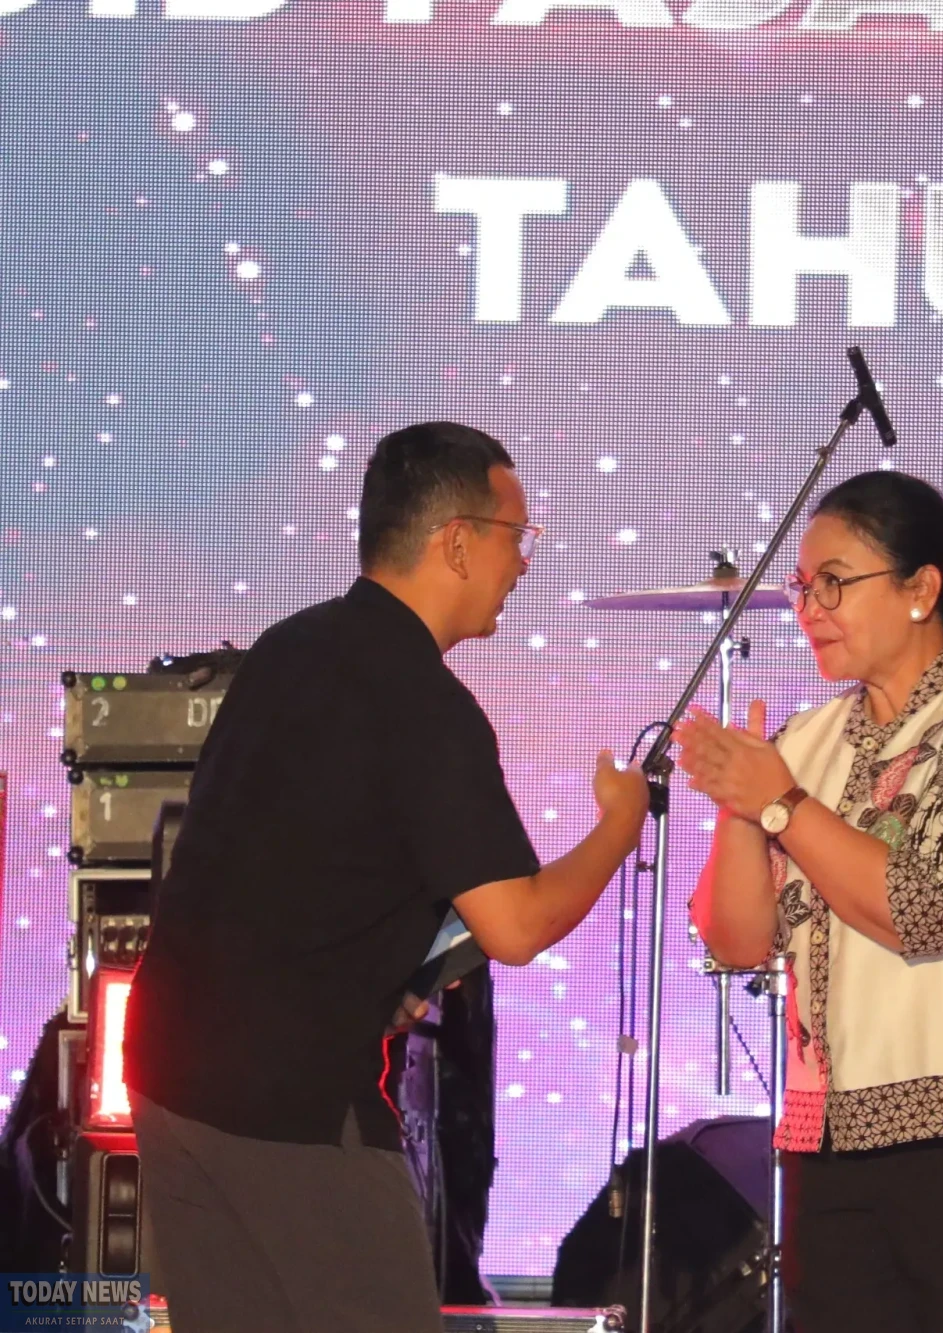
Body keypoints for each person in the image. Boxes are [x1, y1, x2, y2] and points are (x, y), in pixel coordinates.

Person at [124, 421, 650, 1333]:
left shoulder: (290, 645)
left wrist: (383, 970)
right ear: (457, 541)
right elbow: (516, 925)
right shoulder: (425, 704)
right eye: (517, 535)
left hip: (170, 1072)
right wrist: (620, 824)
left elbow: (282, 860)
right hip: (287, 1099)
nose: (523, 562)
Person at [680, 470, 943, 1333]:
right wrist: (741, 806)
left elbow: (931, 912)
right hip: (829, 1145)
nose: (810, 608)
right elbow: (737, 940)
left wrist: (782, 801)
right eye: (803, 587)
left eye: (835, 582)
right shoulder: (807, 739)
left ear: (920, 589)